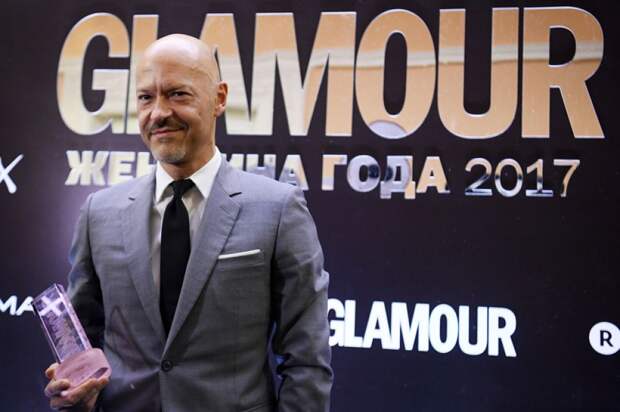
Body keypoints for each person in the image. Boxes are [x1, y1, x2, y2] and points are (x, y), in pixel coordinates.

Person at [43, 33, 332, 412]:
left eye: (177, 94)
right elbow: (83, 344)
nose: (158, 113)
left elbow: (307, 361)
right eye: (145, 97)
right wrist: (75, 394)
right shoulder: (99, 212)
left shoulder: (277, 209)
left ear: (219, 98)